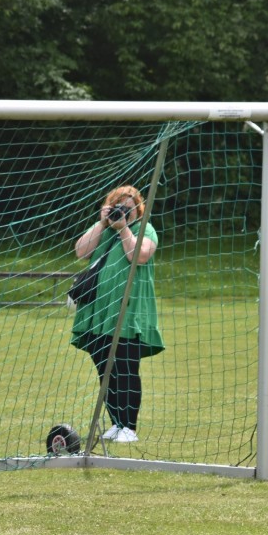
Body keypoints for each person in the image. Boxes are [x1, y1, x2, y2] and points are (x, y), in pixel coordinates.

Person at [71, 185, 164, 444]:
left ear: (138, 209)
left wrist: (123, 229)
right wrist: (102, 223)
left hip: (128, 313)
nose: (123, 211)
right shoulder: (103, 230)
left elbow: (139, 256)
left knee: (125, 369)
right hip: (99, 313)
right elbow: (81, 251)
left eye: (128, 207)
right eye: (118, 207)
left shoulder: (144, 229)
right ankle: (116, 423)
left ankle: (129, 427)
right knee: (105, 369)